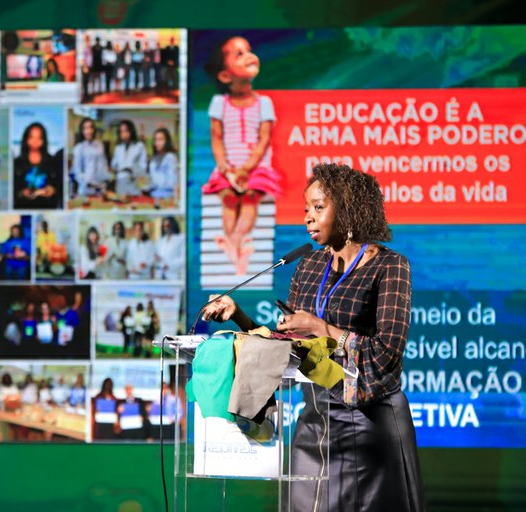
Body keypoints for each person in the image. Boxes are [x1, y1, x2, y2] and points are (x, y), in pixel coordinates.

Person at [201, 163, 425, 511]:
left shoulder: (391, 266)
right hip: (314, 424)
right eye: (306, 209)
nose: (308, 217)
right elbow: (287, 347)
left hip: (370, 426)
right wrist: (239, 314)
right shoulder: (308, 267)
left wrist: (321, 328)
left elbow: (387, 353)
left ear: (349, 208)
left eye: (319, 208)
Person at [201, 36, 282, 275]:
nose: (249, 55)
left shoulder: (264, 102)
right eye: (239, 54)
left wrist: (246, 169)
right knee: (228, 198)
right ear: (225, 76)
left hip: (255, 167)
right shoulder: (219, 102)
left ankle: (232, 243)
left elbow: (264, 138)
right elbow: (216, 138)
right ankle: (238, 257)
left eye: (248, 50)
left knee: (249, 197)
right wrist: (226, 168)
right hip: (229, 167)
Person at [13, 122, 62, 209]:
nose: (35, 141)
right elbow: (13, 190)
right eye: (32, 137)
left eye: (39, 137)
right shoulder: (16, 163)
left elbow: (59, 186)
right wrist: (22, 193)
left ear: (43, 140)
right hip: (23, 207)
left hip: (47, 207)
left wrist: (52, 190)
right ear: (26, 139)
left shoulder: (53, 162)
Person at [70, 117, 109, 200]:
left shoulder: (100, 145)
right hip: (86, 189)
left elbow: (103, 164)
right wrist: (88, 182)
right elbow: (77, 172)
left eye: (91, 127)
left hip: (101, 188)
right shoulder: (79, 148)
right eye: (86, 128)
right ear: (82, 131)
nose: (89, 131)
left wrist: (106, 178)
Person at [110, 119, 148, 201]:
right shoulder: (118, 147)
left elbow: (143, 166)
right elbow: (114, 165)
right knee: (121, 205)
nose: (123, 133)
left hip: (133, 180)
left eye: (125, 130)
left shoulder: (139, 146)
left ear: (131, 131)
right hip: (120, 181)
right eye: (121, 131)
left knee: (134, 205)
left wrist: (133, 171)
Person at [148, 128, 179, 208]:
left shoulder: (171, 157)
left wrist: (154, 184)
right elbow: (151, 177)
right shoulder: (154, 158)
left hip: (166, 197)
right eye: (156, 140)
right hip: (153, 196)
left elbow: (172, 182)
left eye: (160, 139)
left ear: (167, 141)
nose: (157, 143)